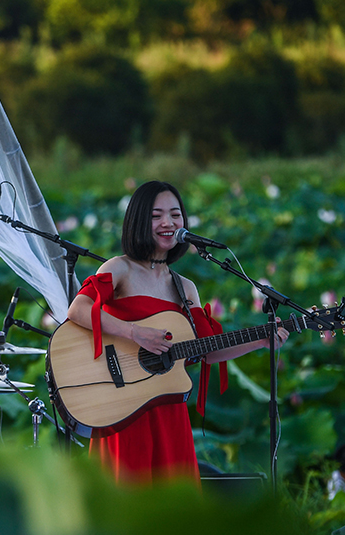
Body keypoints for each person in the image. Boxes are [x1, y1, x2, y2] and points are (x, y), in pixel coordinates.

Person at [65, 180, 289, 483]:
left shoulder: (185, 288)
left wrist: (262, 339)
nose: (168, 223)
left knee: (174, 516)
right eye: (157, 216)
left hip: (170, 415)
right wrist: (134, 333)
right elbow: (77, 311)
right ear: (139, 221)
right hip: (123, 411)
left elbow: (207, 351)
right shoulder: (118, 269)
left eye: (175, 215)